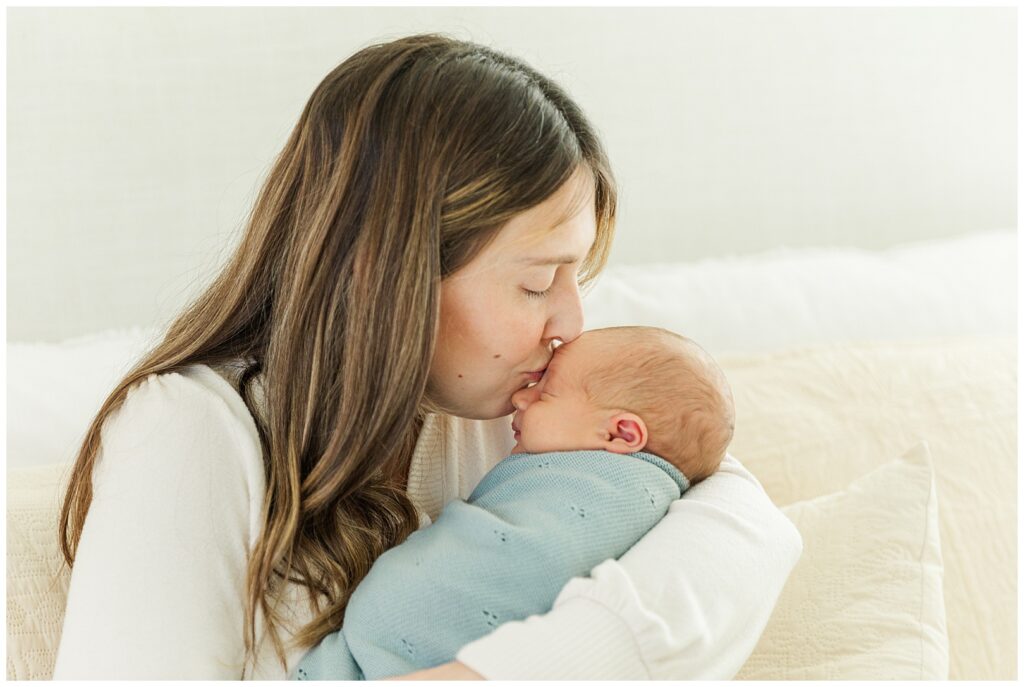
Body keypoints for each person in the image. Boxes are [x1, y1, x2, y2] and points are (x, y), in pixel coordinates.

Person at [53, 33, 802, 680]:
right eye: (539, 282)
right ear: (385, 270)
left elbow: (749, 530)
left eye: (579, 278)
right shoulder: (190, 431)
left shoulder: (526, 399)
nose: (572, 322)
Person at [292, 325, 736, 680]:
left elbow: (540, 558)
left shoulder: (628, 485)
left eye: (545, 394)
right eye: (536, 285)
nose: (523, 398)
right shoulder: (583, 386)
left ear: (620, 435)